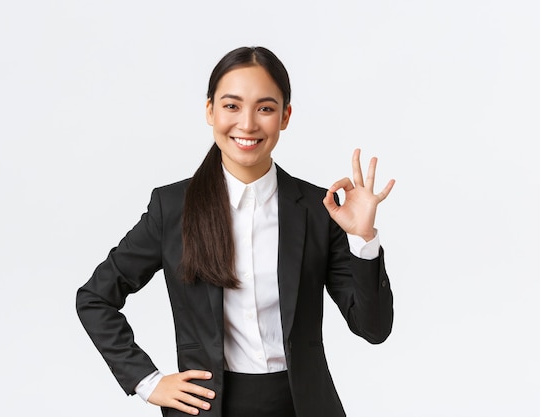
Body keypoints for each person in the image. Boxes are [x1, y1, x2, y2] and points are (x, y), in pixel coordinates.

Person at [76, 46, 395, 417]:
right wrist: (147, 381)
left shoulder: (318, 209)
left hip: (303, 406)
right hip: (210, 407)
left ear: (285, 116)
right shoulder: (172, 208)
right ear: (210, 110)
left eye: (265, 108)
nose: (247, 124)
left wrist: (363, 239)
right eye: (231, 106)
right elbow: (94, 298)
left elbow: (373, 328)